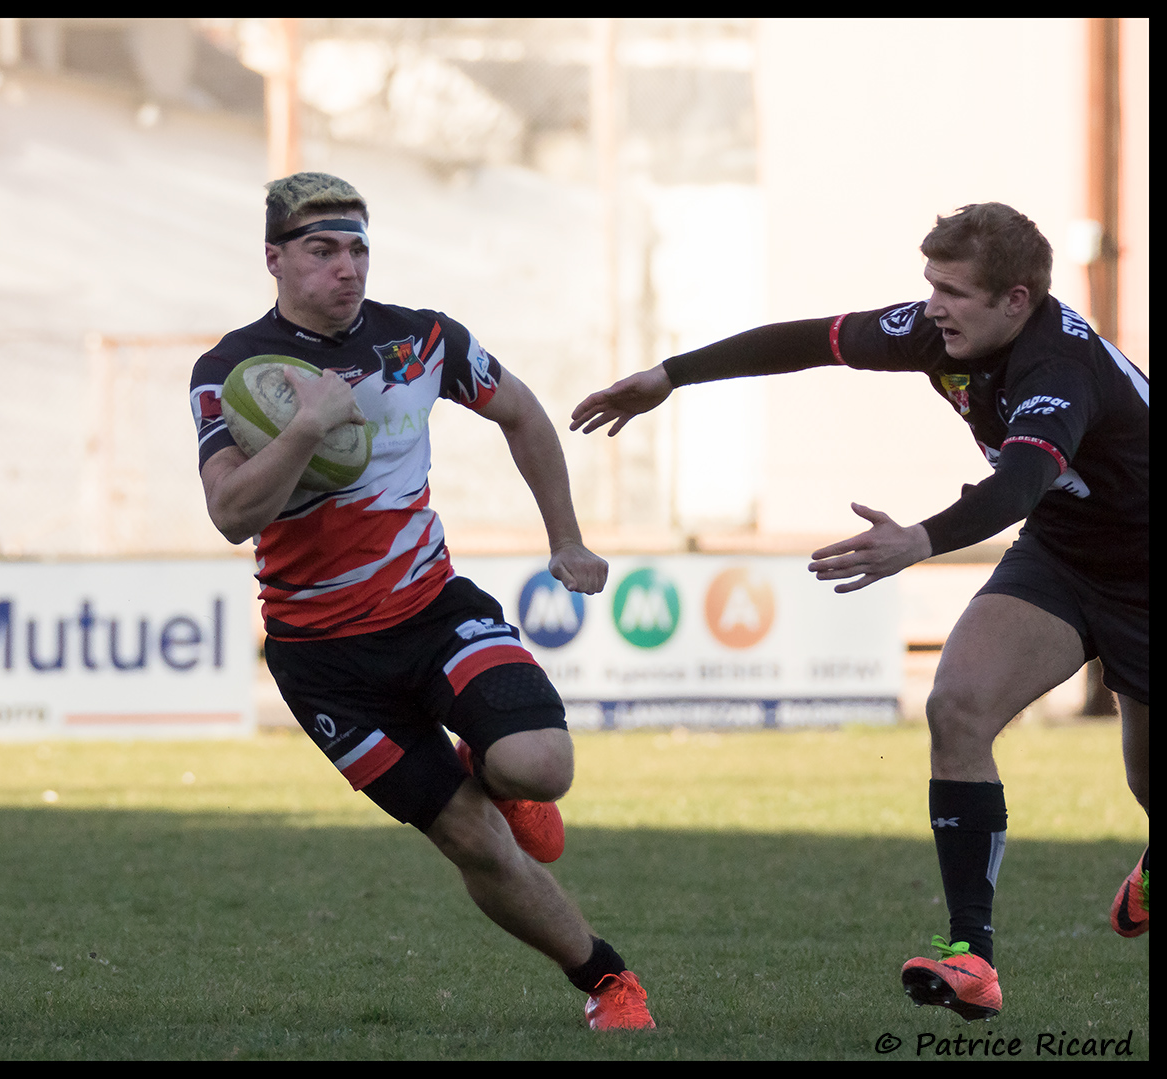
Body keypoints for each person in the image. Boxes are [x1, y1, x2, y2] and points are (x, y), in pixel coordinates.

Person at [571, 202, 1149, 1020]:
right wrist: (671, 374)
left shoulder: (1058, 368)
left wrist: (917, 539)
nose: (933, 305)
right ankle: (971, 956)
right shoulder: (938, 330)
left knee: (1144, 777)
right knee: (956, 708)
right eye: (930, 285)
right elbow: (811, 340)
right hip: (1062, 556)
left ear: (1016, 301)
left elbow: (1017, 485)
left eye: (954, 291)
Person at [191, 172, 655, 1031]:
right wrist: (304, 428)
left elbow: (523, 412)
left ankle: (491, 765)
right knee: (473, 839)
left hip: (430, 609)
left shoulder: (422, 341)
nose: (347, 267)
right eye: (322, 250)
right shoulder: (234, 369)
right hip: (323, 662)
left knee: (541, 768)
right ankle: (608, 982)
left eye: (358, 247)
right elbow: (230, 514)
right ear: (274, 259)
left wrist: (566, 537)